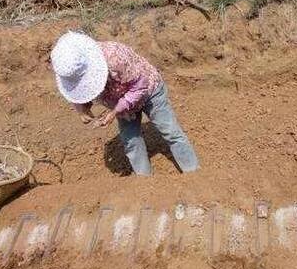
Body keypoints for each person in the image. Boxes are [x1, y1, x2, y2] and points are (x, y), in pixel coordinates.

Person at [50, 31, 199, 176]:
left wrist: (115, 111)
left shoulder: (115, 58)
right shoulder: (67, 70)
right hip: (118, 102)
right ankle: (144, 183)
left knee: (170, 131)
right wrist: (81, 110)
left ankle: (194, 174)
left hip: (149, 91)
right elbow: (73, 91)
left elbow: (140, 87)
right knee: (131, 142)